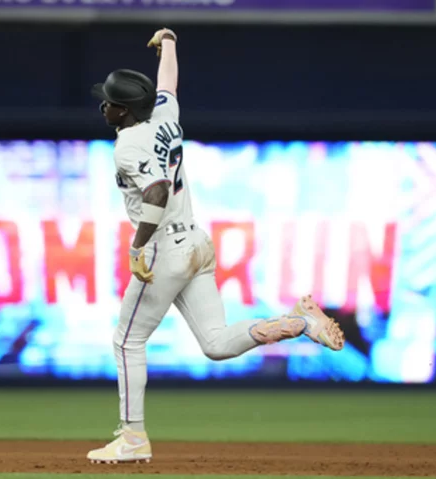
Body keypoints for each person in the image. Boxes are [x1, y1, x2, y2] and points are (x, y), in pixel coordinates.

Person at [87, 27, 345, 465]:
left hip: (166, 250)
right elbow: (167, 83)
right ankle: (299, 324)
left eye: (109, 101)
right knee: (215, 344)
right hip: (197, 243)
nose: (103, 106)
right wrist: (168, 42)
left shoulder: (128, 144)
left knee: (127, 341)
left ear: (124, 110)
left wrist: (137, 248)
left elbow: (156, 192)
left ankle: (133, 437)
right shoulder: (164, 115)